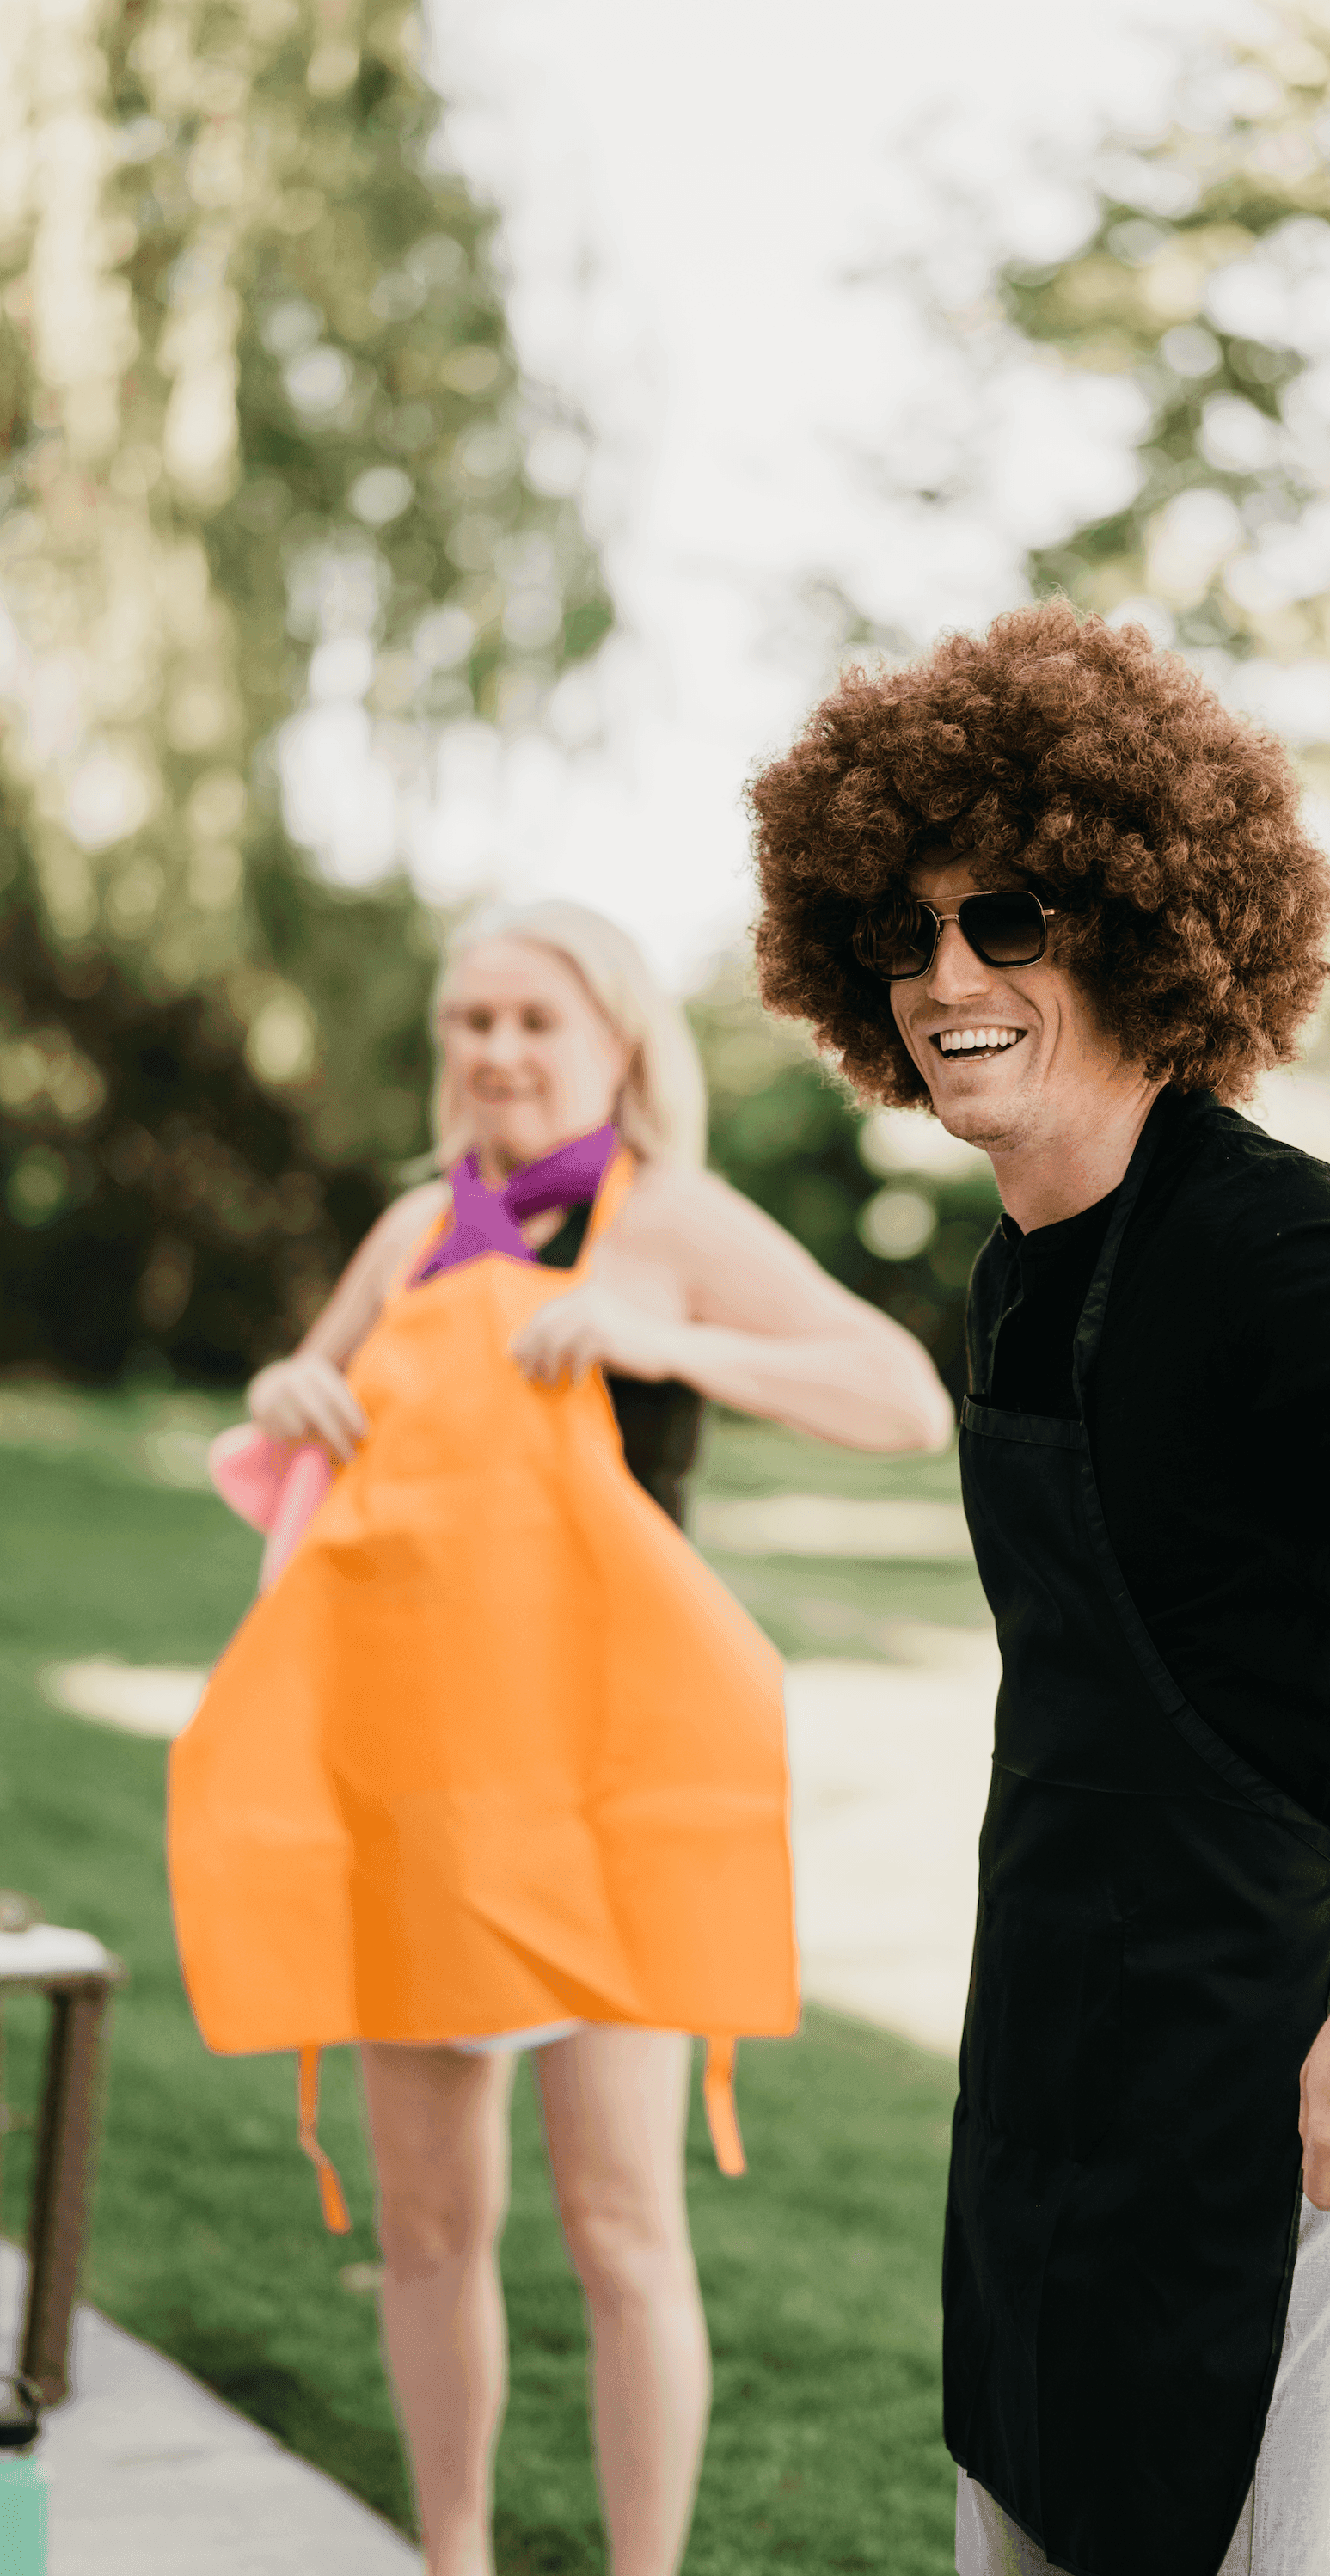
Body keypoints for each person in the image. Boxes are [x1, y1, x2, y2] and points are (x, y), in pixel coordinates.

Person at [747, 604, 1330, 2576]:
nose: (943, 977)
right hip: (1046, 2034)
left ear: (1141, 922)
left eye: (1004, 918)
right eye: (898, 936)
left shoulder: (1271, 1250)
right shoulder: (1015, 1265)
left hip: (1264, 2062)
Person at [171, 898, 951, 2576]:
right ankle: (449, 2554)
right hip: (413, 1779)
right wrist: (286, 1396)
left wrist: (662, 1336)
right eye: (472, 1022)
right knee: (433, 2226)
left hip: (609, 1781)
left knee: (621, 2228)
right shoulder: (407, 1232)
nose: (500, 1052)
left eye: (535, 1020)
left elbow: (901, 1395)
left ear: (613, 1040)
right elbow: (298, 1403)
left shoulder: (670, 1216)